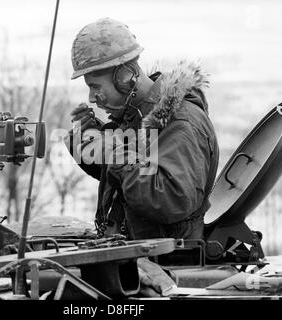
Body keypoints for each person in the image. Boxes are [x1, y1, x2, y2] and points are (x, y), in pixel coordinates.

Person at [66, 17, 219, 243]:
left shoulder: (180, 121)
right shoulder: (140, 117)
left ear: (124, 76)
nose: (91, 98)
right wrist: (88, 143)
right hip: (138, 254)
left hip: (167, 263)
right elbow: (134, 180)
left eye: (95, 87)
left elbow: (170, 199)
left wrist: (114, 153)